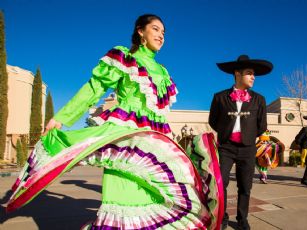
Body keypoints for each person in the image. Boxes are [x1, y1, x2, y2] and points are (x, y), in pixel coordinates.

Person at [7, 14, 223, 229]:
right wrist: (62, 118)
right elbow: (94, 88)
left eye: (164, 32)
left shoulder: (163, 71)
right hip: (126, 136)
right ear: (141, 31)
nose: (161, 36)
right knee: (123, 194)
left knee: (160, 195)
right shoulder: (125, 57)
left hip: (155, 143)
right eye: (156, 29)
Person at [209, 55, 271, 230]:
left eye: (254, 74)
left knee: (245, 185)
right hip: (226, 147)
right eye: (250, 73)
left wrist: (248, 136)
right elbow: (214, 121)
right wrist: (226, 133)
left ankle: (242, 218)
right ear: (237, 74)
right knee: (222, 183)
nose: (253, 77)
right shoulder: (220, 97)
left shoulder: (259, 100)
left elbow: (262, 125)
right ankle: (223, 217)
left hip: (248, 148)